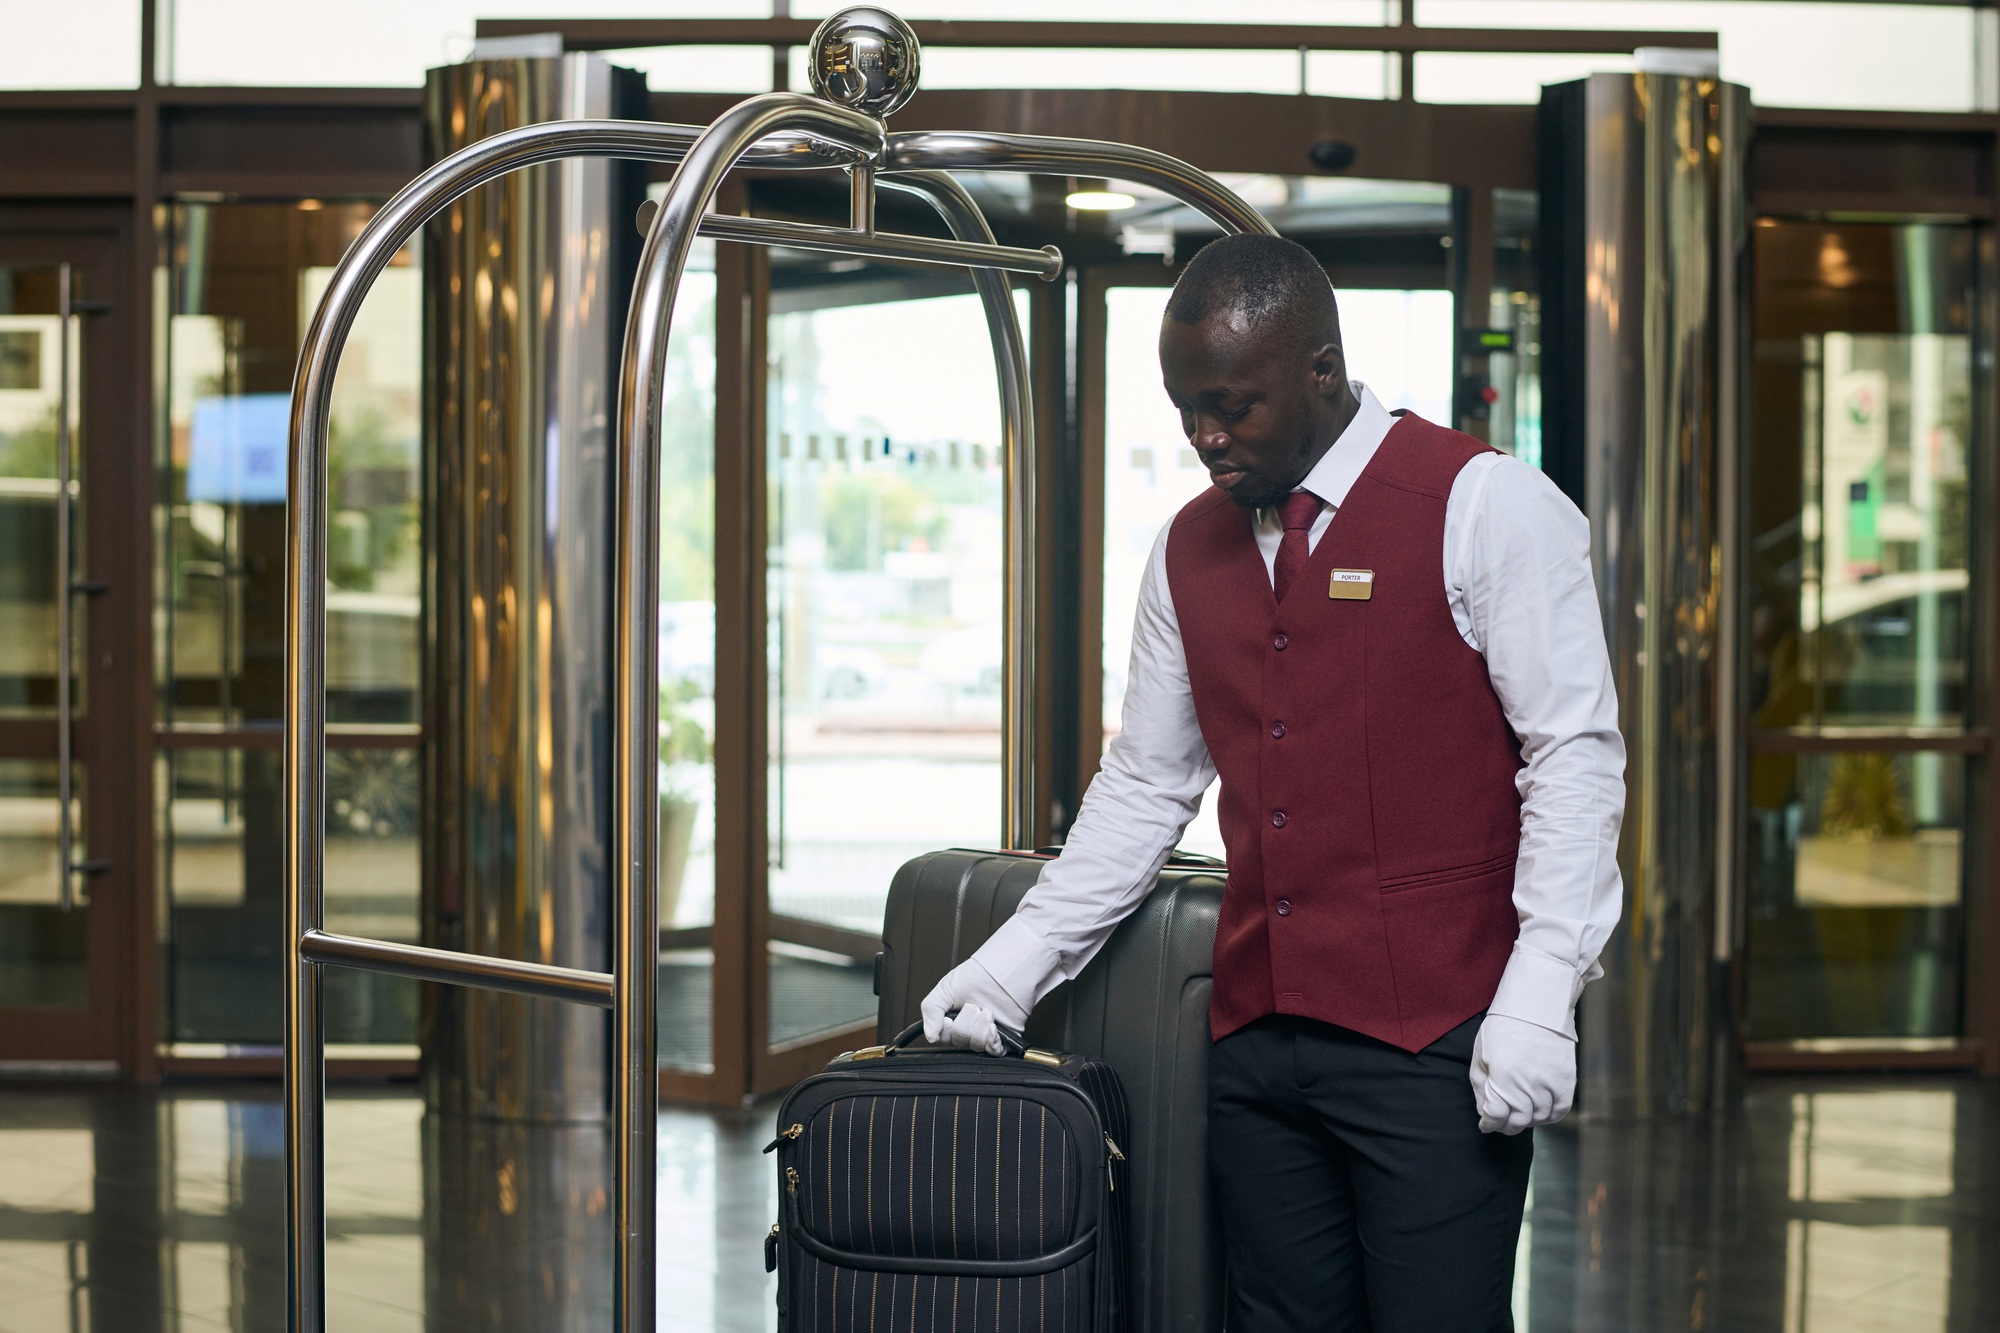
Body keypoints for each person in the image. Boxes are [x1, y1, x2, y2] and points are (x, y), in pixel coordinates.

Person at [921, 233, 1624, 1332]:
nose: (1205, 437)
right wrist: (1011, 965)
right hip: (1255, 1040)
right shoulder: (1183, 549)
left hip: (1437, 1038)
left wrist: (1542, 992)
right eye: (1184, 409)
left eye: (1230, 407)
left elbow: (1572, 759)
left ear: (1320, 370)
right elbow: (1146, 785)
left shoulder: (1487, 506)